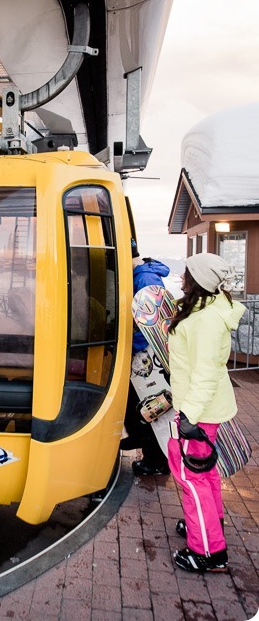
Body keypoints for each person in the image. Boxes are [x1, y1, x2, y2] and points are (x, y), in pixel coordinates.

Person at [167, 253, 245, 573]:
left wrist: (189, 417)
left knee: (191, 477)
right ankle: (206, 523)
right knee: (206, 474)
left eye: (186, 274)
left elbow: (205, 373)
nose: (182, 278)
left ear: (198, 280)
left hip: (197, 412)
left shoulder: (205, 321)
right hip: (201, 409)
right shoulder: (207, 308)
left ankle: (208, 552)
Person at [120, 239, 171, 476]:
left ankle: (156, 461)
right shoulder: (143, 276)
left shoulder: (144, 280)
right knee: (135, 402)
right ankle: (140, 440)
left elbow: (152, 326)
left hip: (146, 357)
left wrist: (128, 343)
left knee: (150, 406)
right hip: (143, 356)